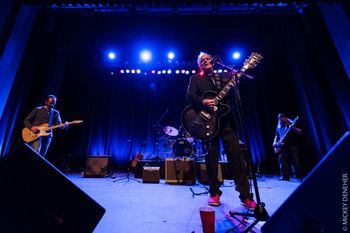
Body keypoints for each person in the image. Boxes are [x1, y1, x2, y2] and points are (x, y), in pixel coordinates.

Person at [185, 52, 255, 209]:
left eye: (207, 58)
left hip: (226, 122)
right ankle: (214, 193)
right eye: (201, 60)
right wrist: (203, 101)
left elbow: (232, 99)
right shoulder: (195, 79)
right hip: (208, 124)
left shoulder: (224, 76)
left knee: (236, 157)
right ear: (199, 65)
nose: (205, 61)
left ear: (213, 61)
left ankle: (245, 196)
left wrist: (235, 84)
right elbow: (190, 96)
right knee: (212, 159)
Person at [272, 113, 303, 181]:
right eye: (279, 119)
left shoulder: (291, 123)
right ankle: (284, 176)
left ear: (285, 118)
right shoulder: (278, 127)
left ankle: (298, 176)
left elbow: (300, 132)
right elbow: (276, 136)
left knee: (294, 160)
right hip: (282, 146)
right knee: (281, 160)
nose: (281, 120)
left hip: (292, 145)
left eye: (282, 118)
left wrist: (293, 128)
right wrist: (274, 142)